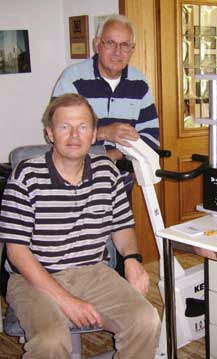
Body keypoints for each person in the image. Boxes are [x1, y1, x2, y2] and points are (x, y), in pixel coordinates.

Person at [0, 94, 160, 359]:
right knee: (51, 341)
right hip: (35, 277)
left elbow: (121, 226)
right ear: (50, 133)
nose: (74, 135)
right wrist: (66, 300)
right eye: (64, 127)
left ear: (94, 133)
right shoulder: (26, 176)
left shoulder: (106, 171)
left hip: (93, 273)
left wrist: (132, 259)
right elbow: (16, 252)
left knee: (146, 320)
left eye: (83, 127)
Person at [52, 14, 159, 162]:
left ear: (132, 49)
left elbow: (151, 135)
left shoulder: (139, 82)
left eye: (125, 45)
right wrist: (104, 133)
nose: (117, 51)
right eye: (110, 43)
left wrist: (115, 155)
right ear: (97, 45)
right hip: (78, 171)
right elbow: (56, 133)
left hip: (121, 176)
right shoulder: (72, 79)